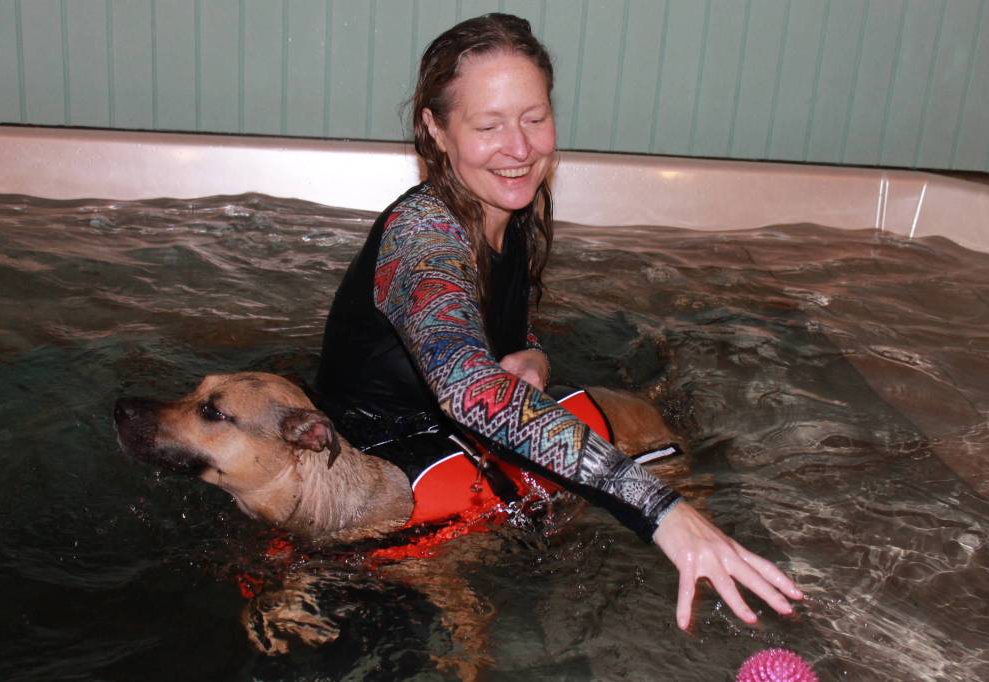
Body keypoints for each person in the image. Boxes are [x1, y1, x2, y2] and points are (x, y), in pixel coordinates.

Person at [315, 12, 802, 631]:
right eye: (488, 125)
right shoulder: (424, 239)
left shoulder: (505, 207)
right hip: (378, 479)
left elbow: (507, 328)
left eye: (534, 118)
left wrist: (534, 355)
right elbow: (470, 390)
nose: (519, 149)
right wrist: (660, 511)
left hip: (456, 450)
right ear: (435, 129)